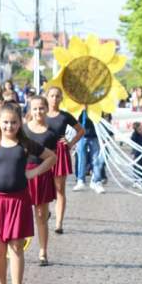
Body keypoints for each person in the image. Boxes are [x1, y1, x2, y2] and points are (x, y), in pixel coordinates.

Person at [0, 103, 56, 284]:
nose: (9, 126)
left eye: (13, 122)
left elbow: (51, 157)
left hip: (18, 202)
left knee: (16, 247)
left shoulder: (26, 144)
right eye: (5, 122)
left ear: (20, 123)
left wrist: (33, 173)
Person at [23, 96, 59, 266]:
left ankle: (43, 251)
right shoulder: (22, 130)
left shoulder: (51, 133)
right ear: (31, 110)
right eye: (35, 108)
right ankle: (17, 244)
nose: (38, 112)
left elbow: (51, 158)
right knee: (21, 213)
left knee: (41, 215)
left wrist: (38, 171)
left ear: (46, 109)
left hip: (42, 174)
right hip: (22, 174)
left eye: (41, 108)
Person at [44, 87, 83, 233]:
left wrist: (71, 143)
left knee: (60, 189)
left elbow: (81, 130)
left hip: (60, 152)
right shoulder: (40, 114)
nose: (54, 99)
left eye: (57, 96)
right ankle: (45, 211)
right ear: (47, 97)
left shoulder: (65, 116)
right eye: (52, 96)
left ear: (61, 99)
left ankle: (59, 223)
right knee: (44, 187)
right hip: (44, 153)